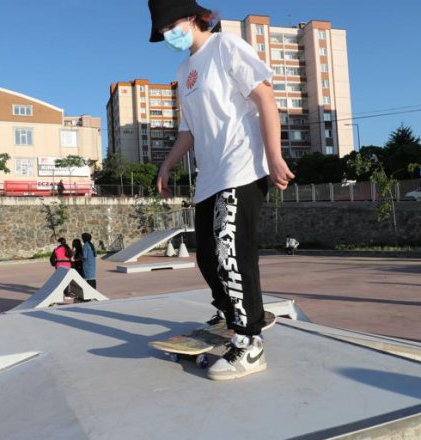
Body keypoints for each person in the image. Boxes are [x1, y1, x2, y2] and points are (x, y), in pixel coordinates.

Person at [149, 0, 295, 381]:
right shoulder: (184, 71)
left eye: (171, 26)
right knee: (208, 257)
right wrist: (166, 164)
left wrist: (275, 156)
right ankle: (237, 313)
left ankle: (250, 344)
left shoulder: (226, 46)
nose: (168, 35)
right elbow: (189, 131)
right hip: (209, 175)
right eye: (162, 32)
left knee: (232, 251)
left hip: (243, 165)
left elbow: (265, 96)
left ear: (193, 16)